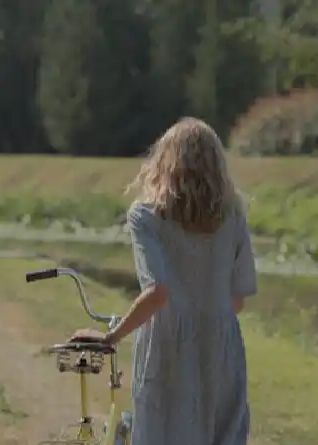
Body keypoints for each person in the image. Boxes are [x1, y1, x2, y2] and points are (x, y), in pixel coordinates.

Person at [70, 117, 258, 445]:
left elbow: (158, 292)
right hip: (223, 346)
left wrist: (111, 337)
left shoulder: (146, 216)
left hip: (169, 347)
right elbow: (238, 298)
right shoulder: (234, 216)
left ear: (165, 160)